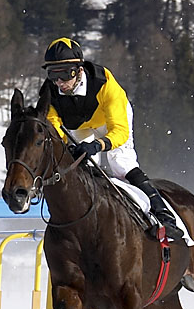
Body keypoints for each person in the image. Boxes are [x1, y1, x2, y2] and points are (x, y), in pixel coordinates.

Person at [39, 37, 183, 240]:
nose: (59, 82)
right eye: (53, 75)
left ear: (79, 70)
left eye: (64, 74)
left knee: (120, 165)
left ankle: (164, 215)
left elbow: (120, 131)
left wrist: (97, 145)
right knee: (81, 166)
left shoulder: (105, 84)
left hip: (110, 121)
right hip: (78, 125)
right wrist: (67, 146)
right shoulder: (50, 92)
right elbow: (54, 125)